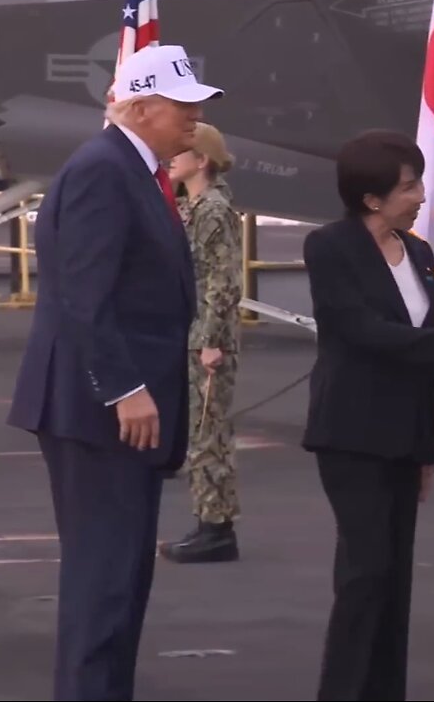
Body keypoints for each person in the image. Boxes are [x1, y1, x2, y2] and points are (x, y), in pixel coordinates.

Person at [6, 43, 224, 701]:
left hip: (115, 411)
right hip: (101, 409)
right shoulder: (105, 170)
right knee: (104, 584)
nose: (194, 116)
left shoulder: (130, 169)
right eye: (183, 104)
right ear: (144, 107)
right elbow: (83, 291)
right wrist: (125, 387)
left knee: (122, 580)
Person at [300, 129, 434, 700]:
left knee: (394, 580)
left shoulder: (417, 252)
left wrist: (424, 450)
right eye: (409, 186)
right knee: (363, 575)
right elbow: (360, 330)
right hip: (351, 435)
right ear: (371, 198)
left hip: (402, 436)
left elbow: (412, 358)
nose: (419, 196)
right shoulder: (328, 248)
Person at [161, 121, 245, 564]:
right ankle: (207, 521)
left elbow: (223, 281)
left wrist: (211, 340)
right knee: (200, 431)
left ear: (203, 160)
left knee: (208, 433)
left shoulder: (212, 208)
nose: (172, 157)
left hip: (207, 338)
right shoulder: (190, 205)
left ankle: (216, 528)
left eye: (184, 150)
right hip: (193, 332)